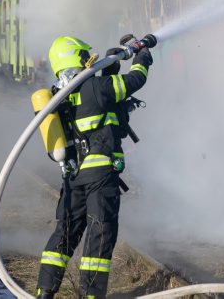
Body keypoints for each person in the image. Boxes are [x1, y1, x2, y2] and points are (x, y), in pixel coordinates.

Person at [35, 35, 153, 299]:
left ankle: (44, 291)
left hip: (72, 177)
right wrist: (142, 55)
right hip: (100, 175)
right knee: (101, 232)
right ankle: (91, 295)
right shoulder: (98, 87)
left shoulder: (57, 96)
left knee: (64, 234)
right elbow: (135, 80)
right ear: (77, 59)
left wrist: (111, 65)